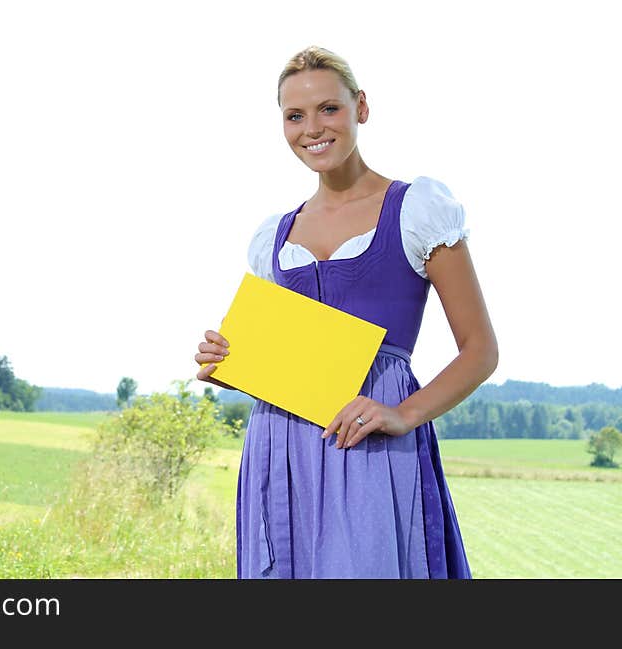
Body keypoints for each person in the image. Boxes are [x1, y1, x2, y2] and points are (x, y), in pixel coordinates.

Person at [194, 46, 498, 579]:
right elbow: (289, 362)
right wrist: (231, 365)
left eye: (328, 109)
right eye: (295, 116)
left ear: (360, 107)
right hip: (280, 444)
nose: (312, 128)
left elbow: (480, 351)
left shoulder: (417, 209)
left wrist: (404, 413)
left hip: (370, 438)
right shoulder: (274, 234)